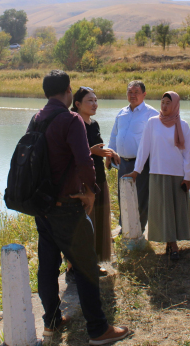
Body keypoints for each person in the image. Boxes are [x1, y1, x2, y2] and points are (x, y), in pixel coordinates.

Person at [32, 70, 129, 344]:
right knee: (87, 266)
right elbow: (85, 161)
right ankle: (98, 330)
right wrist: (90, 193)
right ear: (67, 91)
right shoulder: (71, 119)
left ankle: (51, 323)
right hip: (69, 206)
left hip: (44, 206)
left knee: (47, 267)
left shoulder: (37, 118)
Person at [124, 91, 190, 260]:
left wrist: (188, 177)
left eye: (168, 102)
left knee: (175, 210)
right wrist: (137, 170)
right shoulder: (152, 123)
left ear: (175, 104)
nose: (164, 105)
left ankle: (172, 243)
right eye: (162, 102)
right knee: (162, 210)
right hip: (157, 173)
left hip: (177, 174)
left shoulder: (182, 125)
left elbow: (188, 154)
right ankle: (171, 244)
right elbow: (144, 149)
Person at [71, 86, 115, 266]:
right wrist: (92, 151)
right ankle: (74, 267)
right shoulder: (74, 124)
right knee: (82, 224)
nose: (95, 104)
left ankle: (93, 263)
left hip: (98, 179)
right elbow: (70, 155)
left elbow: (98, 148)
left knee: (98, 221)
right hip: (82, 182)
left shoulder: (94, 124)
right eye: (90, 100)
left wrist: (110, 154)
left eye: (96, 100)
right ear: (77, 104)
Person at [108, 80, 159, 232]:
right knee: (123, 195)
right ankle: (124, 228)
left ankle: (139, 230)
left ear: (144, 94)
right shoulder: (122, 112)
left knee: (140, 196)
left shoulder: (151, 113)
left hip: (141, 163)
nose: (133, 95)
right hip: (122, 162)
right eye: (130, 92)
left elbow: (157, 140)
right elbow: (114, 134)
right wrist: (110, 153)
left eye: (136, 92)